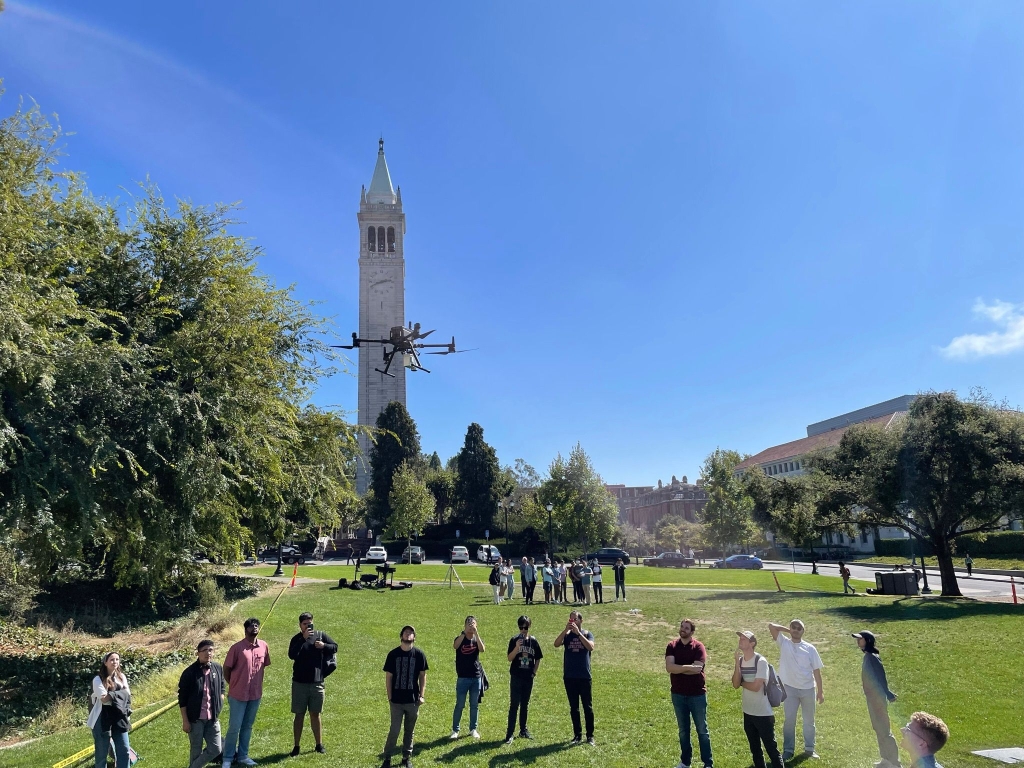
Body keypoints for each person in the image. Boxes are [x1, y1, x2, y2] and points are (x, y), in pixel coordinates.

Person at [768, 620, 824, 761]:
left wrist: (820, 691)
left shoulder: (810, 648)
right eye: (794, 627)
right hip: (789, 690)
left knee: (809, 721)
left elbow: (817, 672)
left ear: (803, 631)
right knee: (789, 721)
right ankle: (788, 750)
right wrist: (789, 630)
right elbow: (771, 626)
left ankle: (810, 749)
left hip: (808, 689)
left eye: (799, 628)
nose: (796, 630)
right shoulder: (784, 642)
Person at [222, 617, 271, 768]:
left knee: (247, 726)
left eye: (256, 625)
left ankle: (243, 755)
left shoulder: (264, 646)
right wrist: (234, 683)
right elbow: (226, 669)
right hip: (238, 695)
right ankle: (228, 758)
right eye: (251, 625)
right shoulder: (236, 648)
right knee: (234, 727)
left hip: (255, 694)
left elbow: (265, 664)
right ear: (245, 630)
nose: (254, 627)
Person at [665, 619, 713, 768]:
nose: (683, 630)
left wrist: (679, 668)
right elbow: (669, 668)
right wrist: (688, 668)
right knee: (683, 731)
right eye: (681, 627)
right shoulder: (672, 646)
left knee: (702, 730)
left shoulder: (699, 647)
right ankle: (686, 762)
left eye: (686, 628)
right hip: (678, 695)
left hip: (697, 695)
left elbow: (698, 668)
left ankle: (708, 763)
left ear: (692, 632)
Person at [288, 612, 338, 756]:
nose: (308, 626)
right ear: (300, 625)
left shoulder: (321, 635)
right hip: (299, 684)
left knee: (315, 714)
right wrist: (303, 640)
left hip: (317, 683)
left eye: (310, 623)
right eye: (305, 624)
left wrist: (324, 646)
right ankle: (296, 746)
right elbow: (292, 655)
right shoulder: (296, 639)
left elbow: (335, 647)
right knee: (299, 715)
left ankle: (319, 744)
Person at [732, 631, 784, 768]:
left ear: (752, 643)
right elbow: (735, 684)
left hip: (763, 714)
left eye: (744, 638)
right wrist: (737, 665)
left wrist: (742, 682)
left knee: (771, 749)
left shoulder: (760, 661)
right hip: (748, 713)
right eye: (740, 638)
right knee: (755, 750)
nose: (741, 640)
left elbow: (756, 686)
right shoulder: (742, 661)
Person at [382, 625, 429, 768]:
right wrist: (389, 696)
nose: (408, 635)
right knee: (394, 730)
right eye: (406, 632)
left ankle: (406, 757)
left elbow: (422, 676)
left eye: (411, 633)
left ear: (414, 637)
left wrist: (421, 695)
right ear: (401, 636)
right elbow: (388, 677)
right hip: (396, 701)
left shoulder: (419, 655)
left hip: (413, 701)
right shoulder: (393, 654)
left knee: (409, 731)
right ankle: (387, 758)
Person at [853, 630, 901, 768]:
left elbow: (881, 676)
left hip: (877, 699)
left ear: (867, 640)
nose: (858, 641)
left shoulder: (872, 657)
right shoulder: (868, 656)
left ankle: (895, 763)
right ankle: (886, 759)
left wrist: (888, 693)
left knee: (884, 730)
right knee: (879, 729)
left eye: (860, 639)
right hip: (872, 699)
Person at [178, 639, 224, 768]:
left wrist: (220, 702)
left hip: (212, 718)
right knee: (196, 750)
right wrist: (185, 721)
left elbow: (222, 687)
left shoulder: (217, 668)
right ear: (198, 653)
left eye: (210, 650)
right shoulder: (189, 673)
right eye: (204, 650)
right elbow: (182, 699)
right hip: (196, 719)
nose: (208, 653)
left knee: (216, 748)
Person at [554, 610, 596, 745]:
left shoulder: (587, 634)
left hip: (584, 676)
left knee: (587, 707)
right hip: (570, 676)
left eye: (575, 620)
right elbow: (556, 644)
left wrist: (579, 634)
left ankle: (590, 736)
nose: (573, 622)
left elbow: (590, 647)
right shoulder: (567, 636)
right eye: (571, 620)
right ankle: (577, 735)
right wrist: (565, 630)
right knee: (574, 708)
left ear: (581, 621)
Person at [88, 651, 131, 768]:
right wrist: (120, 695)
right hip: (102, 719)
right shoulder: (98, 679)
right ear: (105, 662)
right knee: (101, 754)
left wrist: (112, 695)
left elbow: (128, 695)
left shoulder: (121, 677)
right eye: (112, 659)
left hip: (119, 717)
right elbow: (104, 700)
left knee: (124, 749)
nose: (115, 662)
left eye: (117, 659)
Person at [505, 615, 543, 744]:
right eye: (521, 627)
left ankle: (523, 730)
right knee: (514, 705)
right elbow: (509, 658)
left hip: (528, 677)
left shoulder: (533, 641)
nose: (523, 630)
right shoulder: (514, 640)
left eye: (525, 627)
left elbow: (538, 657)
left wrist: (534, 672)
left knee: (525, 705)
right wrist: (516, 647)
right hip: (516, 676)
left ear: (529, 627)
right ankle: (509, 734)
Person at [450, 616, 484, 740]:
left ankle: (473, 729)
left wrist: (477, 634)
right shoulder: (460, 638)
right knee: (460, 704)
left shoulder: (476, 639)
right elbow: (455, 646)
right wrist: (464, 634)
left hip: (476, 677)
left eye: (473, 623)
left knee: (474, 705)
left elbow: (482, 649)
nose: (471, 626)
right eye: (469, 624)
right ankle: (455, 730)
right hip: (463, 677)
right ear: (464, 626)